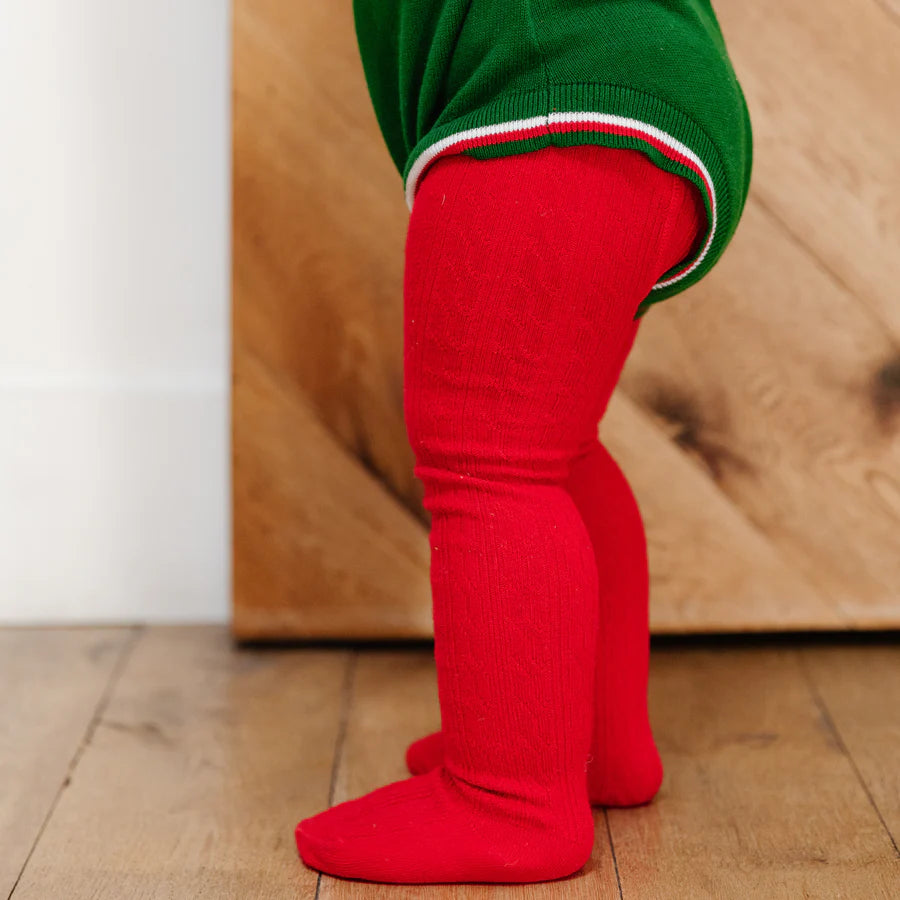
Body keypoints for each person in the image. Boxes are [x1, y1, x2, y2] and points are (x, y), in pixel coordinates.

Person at [296, 0, 752, 884]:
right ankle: (593, 747)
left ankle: (509, 800)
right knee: (553, 449)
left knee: (488, 463)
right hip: (643, 79)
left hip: (553, 84)